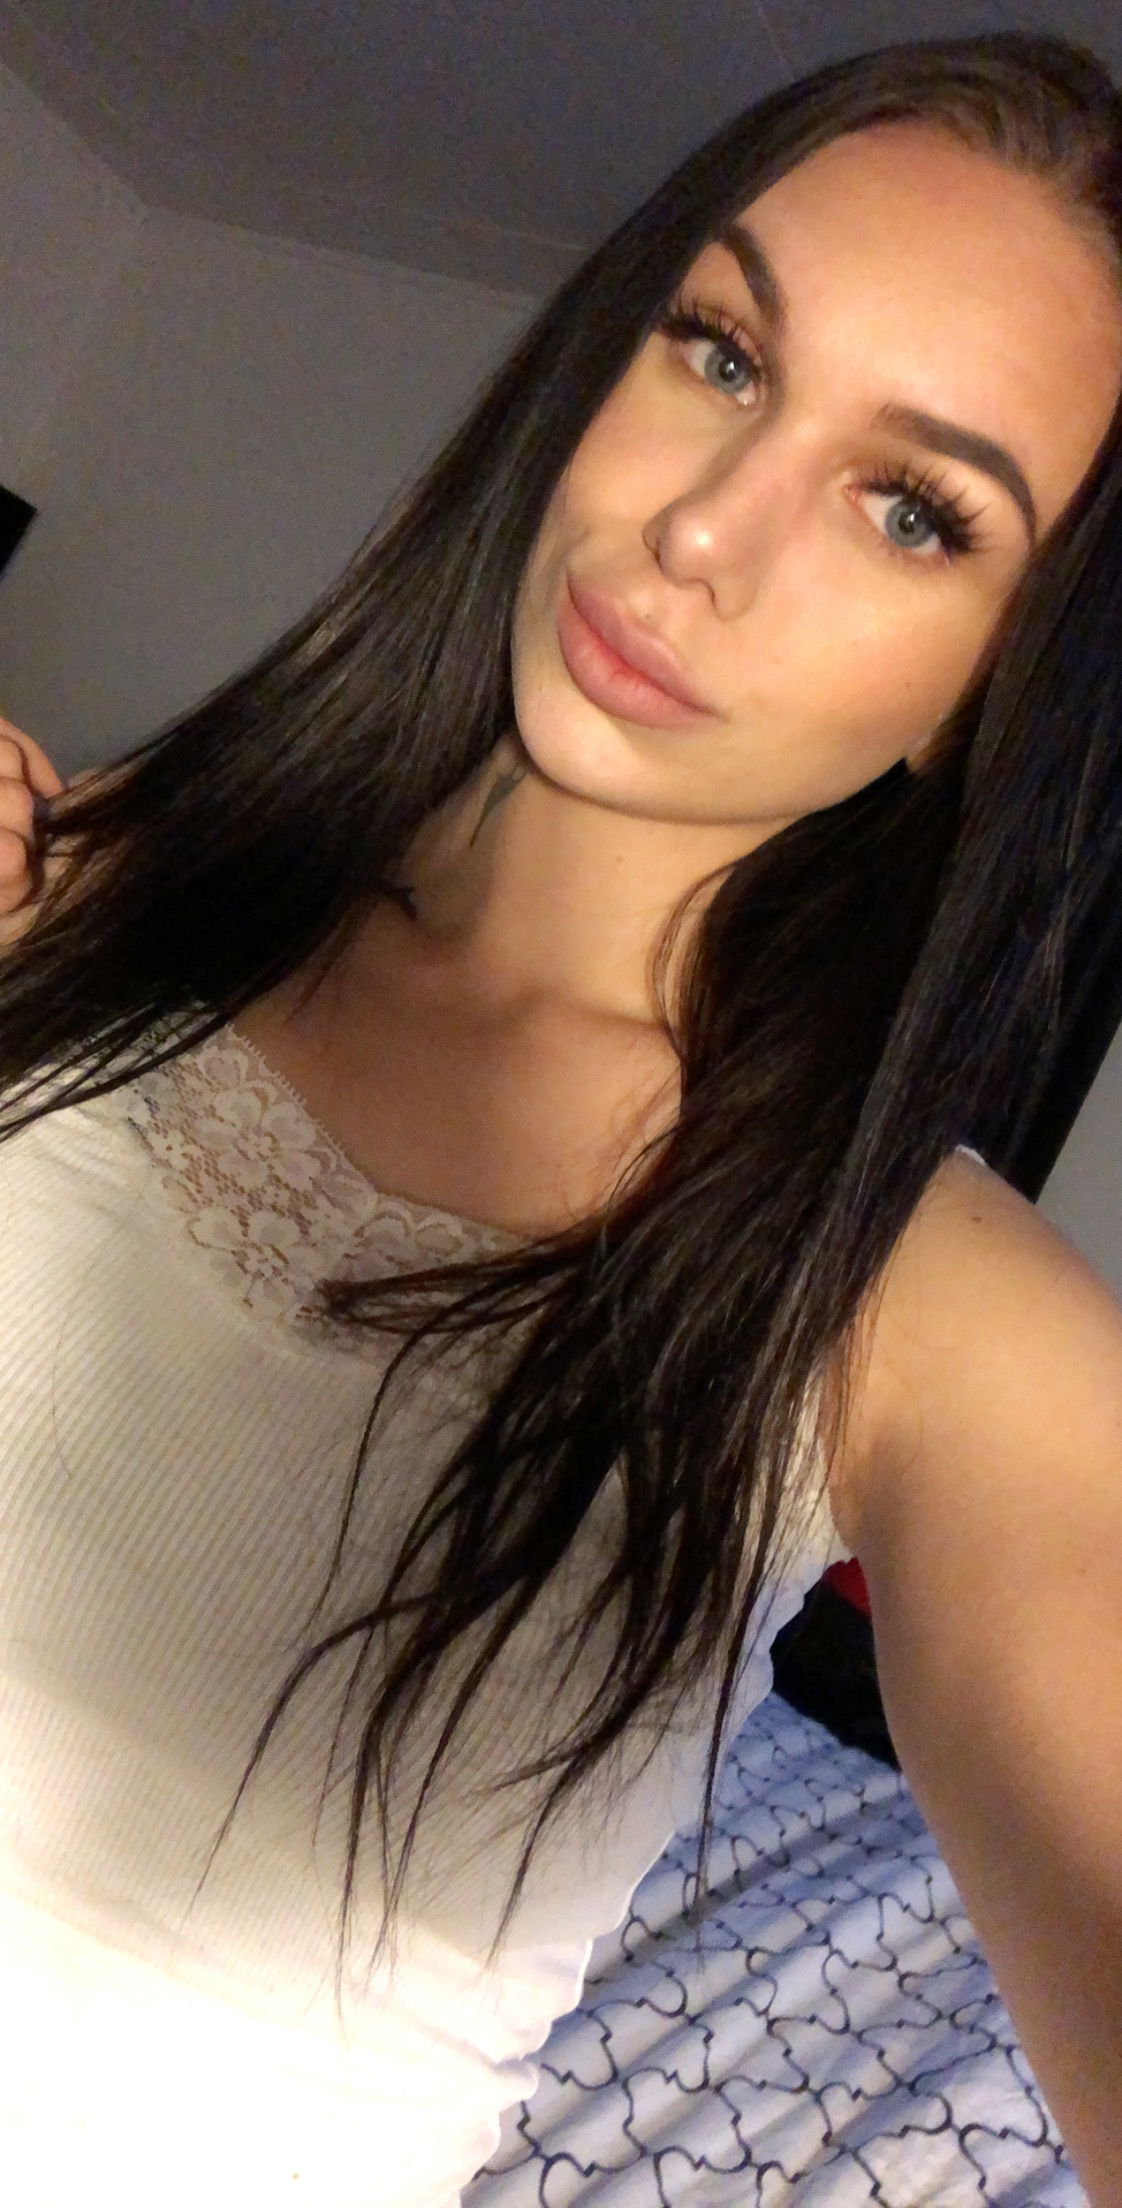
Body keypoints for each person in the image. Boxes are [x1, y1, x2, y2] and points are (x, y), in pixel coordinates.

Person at [0, 25, 1121, 2206]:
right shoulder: (92, 874)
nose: (699, 532)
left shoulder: (923, 1310)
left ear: (992, 689)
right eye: (720, 351)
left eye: (912, 509)